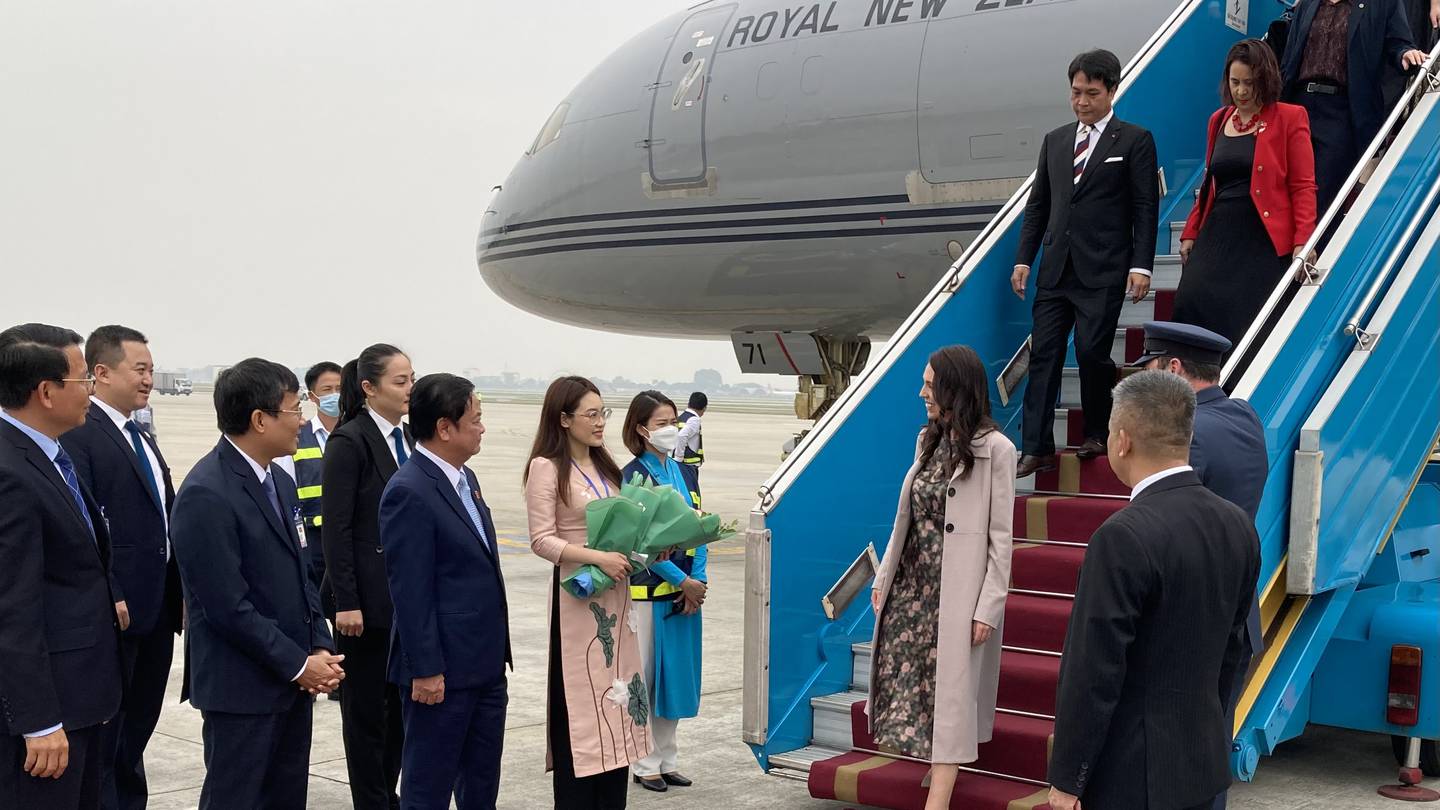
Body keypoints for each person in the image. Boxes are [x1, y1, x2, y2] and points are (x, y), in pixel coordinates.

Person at [1046, 371, 1259, 810]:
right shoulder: (1237, 524)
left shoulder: (1122, 536)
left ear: (1122, 440)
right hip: (1199, 767)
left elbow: (1093, 671)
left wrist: (1068, 779)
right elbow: (1232, 651)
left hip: (1130, 777)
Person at [168, 358, 343, 810]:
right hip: (242, 688)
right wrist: (298, 664)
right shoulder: (208, 492)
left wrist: (318, 645)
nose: (302, 421)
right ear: (259, 420)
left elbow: (303, 572)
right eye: (293, 410)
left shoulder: (279, 482)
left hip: (289, 679)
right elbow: (227, 606)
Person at [867, 345, 1015, 810]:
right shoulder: (926, 439)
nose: (922, 393)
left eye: (930, 385)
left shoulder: (997, 450)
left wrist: (989, 606)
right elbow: (904, 518)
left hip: (956, 591)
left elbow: (1001, 539)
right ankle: (932, 760)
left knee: (951, 699)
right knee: (916, 684)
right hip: (912, 588)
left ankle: (939, 800)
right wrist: (882, 577)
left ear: (956, 388)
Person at [1135, 321, 1269, 810]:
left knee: (1175, 767)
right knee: (1211, 755)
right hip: (1237, 617)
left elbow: (1168, 525)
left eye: (1150, 369)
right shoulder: (1244, 417)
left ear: (1173, 369)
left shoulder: (1189, 437)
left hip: (1189, 625)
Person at [1013, 48, 1160, 477]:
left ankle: (1096, 430)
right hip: (1056, 269)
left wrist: (1142, 265)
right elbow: (1039, 207)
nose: (1081, 102)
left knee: (1092, 352)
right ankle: (1036, 446)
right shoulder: (1055, 141)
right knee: (1044, 354)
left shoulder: (1134, 140)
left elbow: (1144, 208)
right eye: (1075, 93)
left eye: (1091, 94)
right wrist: (1025, 258)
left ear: (1112, 90)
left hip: (1103, 268)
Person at [59, 326, 182, 810]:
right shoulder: (82, 434)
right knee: (109, 742)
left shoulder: (140, 434)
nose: (149, 378)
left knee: (135, 737)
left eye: (152, 369)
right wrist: (110, 589)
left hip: (156, 611)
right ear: (102, 372)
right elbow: (83, 526)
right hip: (118, 613)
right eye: (140, 369)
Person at [0, 324, 122, 810]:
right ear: (46, 392)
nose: (91, 391)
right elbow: (12, 608)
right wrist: (39, 721)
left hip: (83, 697)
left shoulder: (48, 456)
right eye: (81, 380)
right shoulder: (11, 474)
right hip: (50, 715)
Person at [380, 375, 511, 810]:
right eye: (475, 419)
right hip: (442, 675)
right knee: (427, 789)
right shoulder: (409, 490)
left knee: (480, 787)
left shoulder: (465, 478)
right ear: (444, 428)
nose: (482, 428)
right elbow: (410, 592)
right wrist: (426, 670)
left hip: (484, 666)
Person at [524, 376, 650, 809]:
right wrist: (596, 557)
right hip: (578, 602)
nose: (600, 423)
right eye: (591, 414)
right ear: (563, 419)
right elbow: (542, 540)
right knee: (582, 708)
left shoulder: (606, 465)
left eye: (603, 413)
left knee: (618, 703)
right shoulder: (547, 467)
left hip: (617, 596)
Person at [1175, 40, 1318, 350]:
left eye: (1249, 83)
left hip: (1261, 238)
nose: (1240, 91)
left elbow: (1303, 185)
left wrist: (1302, 242)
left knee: (1244, 319)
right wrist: (1190, 230)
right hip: (1218, 230)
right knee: (1190, 301)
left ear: (1265, 80)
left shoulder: (1290, 117)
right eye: (1234, 82)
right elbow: (1210, 182)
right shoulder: (1218, 119)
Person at [322, 343, 414, 810]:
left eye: (411, 380)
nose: (408, 390)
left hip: (402, 599)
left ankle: (387, 792)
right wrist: (345, 600)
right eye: (400, 382)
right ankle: (372, 801)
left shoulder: (408, 439)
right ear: (368, 387)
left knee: (399, 708)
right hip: (364, 605)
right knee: (365, 713)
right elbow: (336, 529)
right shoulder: (350, 440)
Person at [620, 391, 706, 793]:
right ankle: (644, 762)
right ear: (641, 429)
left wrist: (698, 583)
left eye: (674, 420)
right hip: (650, 591)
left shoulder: (685, 472)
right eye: (661, 423)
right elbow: (642, 543)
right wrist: (680, 580)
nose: (671, 429)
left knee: (675, 681)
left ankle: (667, 757)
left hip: (687, 591)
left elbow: (700, 530)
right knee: (647, 680)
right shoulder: (633, 475)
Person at [1280, 0, 1428, 214]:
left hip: (1341, 111)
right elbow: (1289, 57)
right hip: (1298, 105)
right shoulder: (1308, 4)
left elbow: (1398, 43)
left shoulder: (1383, 4)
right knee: (1286, 188)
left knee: (1322, 194)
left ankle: (1315, 246)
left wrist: (1405, 53)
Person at [275, 361, 344, 591]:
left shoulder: (358, 436)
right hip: (313, 540)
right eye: (327, 390)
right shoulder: (296, 436)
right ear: (313, 396)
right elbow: (284, 489)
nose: (335, 395)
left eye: (340, 388)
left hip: (348, 540)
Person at [672, 391, 706, 508]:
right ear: (704, 408)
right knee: (692, 495)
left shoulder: (681, 418)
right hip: (688, 466)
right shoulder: (694, 420)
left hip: (680, 465)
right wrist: (679, 457)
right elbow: (681, 436)